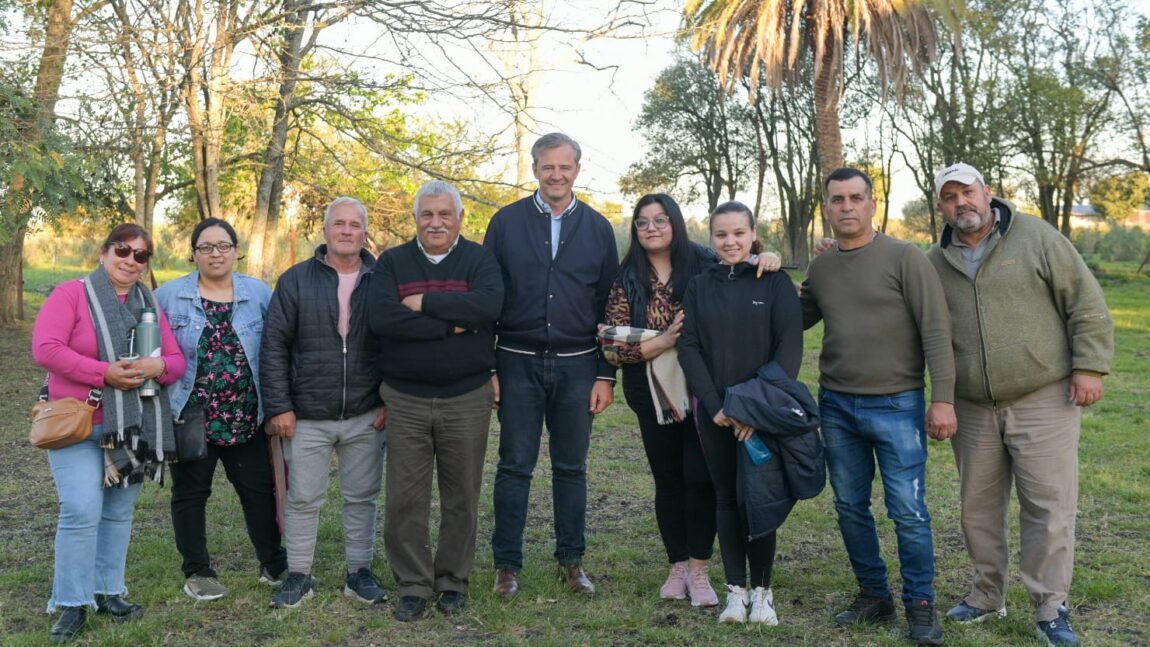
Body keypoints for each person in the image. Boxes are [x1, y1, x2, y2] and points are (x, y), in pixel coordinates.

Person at [927, 163, 1113, 646]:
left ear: (987, 192)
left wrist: (1090, 366)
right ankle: (988, 594)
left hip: (1042, 396)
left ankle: (1050, 607)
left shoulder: (1035, 236)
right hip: (972, 405)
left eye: (968, 192)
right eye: (950, 197)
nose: (961, 203)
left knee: (1049, 507)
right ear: (941, 206)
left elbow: (1085, 300)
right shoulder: (934, 260)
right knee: (977, 509)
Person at [599, 193, 784, 606]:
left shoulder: (703, 261)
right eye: (642, 222)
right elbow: (612, 345)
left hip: (703, 387)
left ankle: (699, 570)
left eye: (660, 220)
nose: (651, 228)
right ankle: (677, 565)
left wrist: (766, 256)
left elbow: (741, 264)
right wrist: (665, 339)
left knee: (700, 479)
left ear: (676, 223)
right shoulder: (627, 275)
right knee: (668, 480)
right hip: (650, 393)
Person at [799, 168, 955, 645]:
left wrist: (942, 399)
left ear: (872, 204)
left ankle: (920, 605)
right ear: (826, 208)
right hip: (837, 405)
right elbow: (794, 318)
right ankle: (873, 593)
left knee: (908, 511)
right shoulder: (822, 267)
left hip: (897, 403)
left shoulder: (905, 258)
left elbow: (935, 329)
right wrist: (759, 266)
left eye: (856, 198)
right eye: (837, 199)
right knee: (850, 506)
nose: (847, 206)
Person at [32, 223, 186, 643]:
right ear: (103, 252)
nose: (130, 261)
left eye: (141, 255)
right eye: (122, 250)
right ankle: (71, 603)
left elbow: (176, 361)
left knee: (118, 513)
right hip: (78, 423)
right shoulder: (72, 294)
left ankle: (107, 592)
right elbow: (46, 348)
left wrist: (157, 366)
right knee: (81, 510)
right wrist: (104, 373)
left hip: (131, 426)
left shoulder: (148, 303)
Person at [484, 132, 618, 597]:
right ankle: (506, 566)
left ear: (577, 170)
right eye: (548, 166)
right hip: (516, 362)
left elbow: (609, 305)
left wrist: (605, 373)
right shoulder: (506, 223)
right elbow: (488, 299)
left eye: (564, 167)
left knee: (571, 468)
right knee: (514, 466)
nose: (556, 175)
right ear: (535, 169)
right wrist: (489, 368)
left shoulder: (598, 228)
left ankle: (571, 562)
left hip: (578, 365)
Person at [368, 180, 503, 621]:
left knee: (461, 494)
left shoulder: (480, 260)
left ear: (459, 217)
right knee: (404, 497)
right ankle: (413, 583)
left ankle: (451, 581)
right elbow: (384, 319)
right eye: (427, 214)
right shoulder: (392, 262)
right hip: (405, 398)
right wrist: (450, 325)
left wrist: (422, 301)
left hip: (466, 397)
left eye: (445, 214)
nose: (436, 222)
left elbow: (486, 308)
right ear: (415, 219)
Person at [677, 201, 803, 625]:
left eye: (738, 233)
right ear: (711, 238)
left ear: (752, 235)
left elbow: (788, 351)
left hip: (760, 415)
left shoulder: (775, 283)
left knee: (758, 499)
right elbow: (689, 348)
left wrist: (753, 410)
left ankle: (763, 594)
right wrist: (717, 407)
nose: (730, 242)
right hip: (715, 416)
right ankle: (736, 592)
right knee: (726, 498)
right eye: (721, 234)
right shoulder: (699, 286)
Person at [261, 196, 388, 609]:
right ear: (325, 229)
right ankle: (299, 575)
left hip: (366, 412)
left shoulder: (382, 279)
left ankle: (359, 573)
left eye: (355, 224)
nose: (346, 231)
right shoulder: (295, 280)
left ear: (364, 232)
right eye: (339, 223)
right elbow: (274, 346)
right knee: (303, 497)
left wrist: (388, 399)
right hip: (307, 414)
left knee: (362, 496)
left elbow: (396, 343)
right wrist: (279, 406)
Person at [154, 218, 287, 602]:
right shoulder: (168, 296)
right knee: (191, 494)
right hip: (191, 416)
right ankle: (198, 571)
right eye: (206, 247)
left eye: (223, 246)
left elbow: (277, 347)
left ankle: (273, 562)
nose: (215, 254)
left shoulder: (259, 293)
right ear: (193, 253)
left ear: (236, 251)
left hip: (247, 415)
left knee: (259, 492)